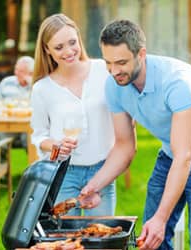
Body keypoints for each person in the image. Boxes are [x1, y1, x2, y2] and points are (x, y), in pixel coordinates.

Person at [79, 19, 191, 249]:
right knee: (150, 240)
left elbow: (184, 156)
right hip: (171, 156)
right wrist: (93, 186)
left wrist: (162, 218)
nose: (114, 71)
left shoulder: (177, 83)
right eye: (108, 63)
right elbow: (124, 146)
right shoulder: (114, 85)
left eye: (121, 62)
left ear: (141, 54)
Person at [30, 13, 116, 216]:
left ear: (79, 38)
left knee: (102, 242)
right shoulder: (42, 89)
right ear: (47, 50)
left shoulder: (103, 71)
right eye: (59, 47)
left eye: (72, 43)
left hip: (102, 170)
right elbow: (39, 136)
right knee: (66, 241)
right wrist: (56, 145)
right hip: (64, 173)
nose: (69, 52)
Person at [0, 55, 34, 148]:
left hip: (29, 127)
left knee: (31, 138)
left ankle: (35, 162)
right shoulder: (7, 82)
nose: (16, 73)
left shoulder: (37, 85)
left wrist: (32, 84)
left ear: (31, 72)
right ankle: (0, 161)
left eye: (21, 71)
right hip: (8, 127)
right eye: (16, 69)